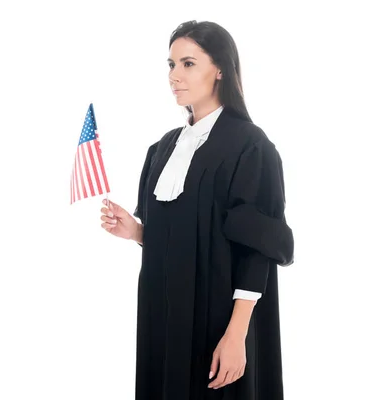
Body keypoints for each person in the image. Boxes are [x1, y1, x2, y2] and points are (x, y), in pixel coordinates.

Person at [100, 20, 294, 400]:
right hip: (163, 312)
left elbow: (258, 250)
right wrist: (136, 231)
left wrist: (236, 334)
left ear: (219, 68)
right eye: (170, 65)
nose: (175, 75)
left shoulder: (250, 146)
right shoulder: (163, 148)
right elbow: (183, 233)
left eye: (188, 63)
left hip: (218, 318)